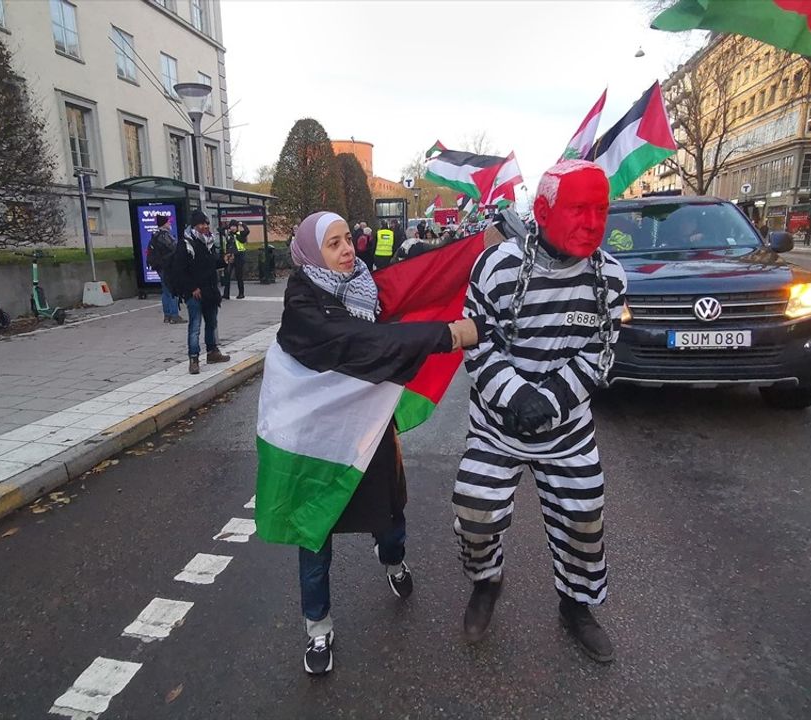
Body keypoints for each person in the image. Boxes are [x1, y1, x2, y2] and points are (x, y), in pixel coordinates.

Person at [259, 210, 482, 675]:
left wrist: (484, 243)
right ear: (308, 254)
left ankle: (393, 560)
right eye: (333, 244)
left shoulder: (364, 287)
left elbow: (423, 279)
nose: (347, 251)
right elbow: (362, 341)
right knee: (313, 532)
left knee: (389, 515)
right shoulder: (303, 309)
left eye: (347, 240)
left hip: (370, 433)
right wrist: (445, 335)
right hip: (317, 448)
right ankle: (318, 629)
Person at [454, 160, 626, 663]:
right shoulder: (497, 266)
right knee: (474, 514)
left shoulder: (610, 278)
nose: (593, 222)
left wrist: (548, 400)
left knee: (583, 519)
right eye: (579, 210)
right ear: (544, 210)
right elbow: (477, 343)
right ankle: (487, 581)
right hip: (496, 426)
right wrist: (513, 396)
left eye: (601, 210)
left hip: (567, 431)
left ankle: (576, 606)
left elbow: (600, 353)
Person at [168, 210, 231, 374]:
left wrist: (222, 261)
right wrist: (192, 288)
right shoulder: (186, 244)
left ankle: (212, 352)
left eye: (206, 223)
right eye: (201, 224)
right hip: (195, 292)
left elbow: (210, 264)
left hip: (210, 290)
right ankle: (193, 358)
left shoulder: (208, 242)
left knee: (212, 323)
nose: (205, 227)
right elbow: (180, 270)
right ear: (194, 225)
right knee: (195, 326)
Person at [146, 224, 183, 324]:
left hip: (159, 267)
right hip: (167, 266)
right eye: (168, 222)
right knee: (172, 289)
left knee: (165, 290)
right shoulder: (165, 236)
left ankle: (167, 315)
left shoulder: (155, 236)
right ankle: (174, 315)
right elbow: (174, 248)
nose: (170, 224)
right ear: (164, 224)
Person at [222, 220, 249, 300]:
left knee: (239, 276)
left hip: (239, 256)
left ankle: (241, 293)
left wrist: (241, 224)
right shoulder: (228, 234)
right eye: (231, 226)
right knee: (227, 275)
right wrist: (227, 226)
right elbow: (219, 230)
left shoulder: (240, 234)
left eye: (234, 226)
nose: (233, 228)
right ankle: (226, 294)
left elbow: (247, 231)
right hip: (230, 256)